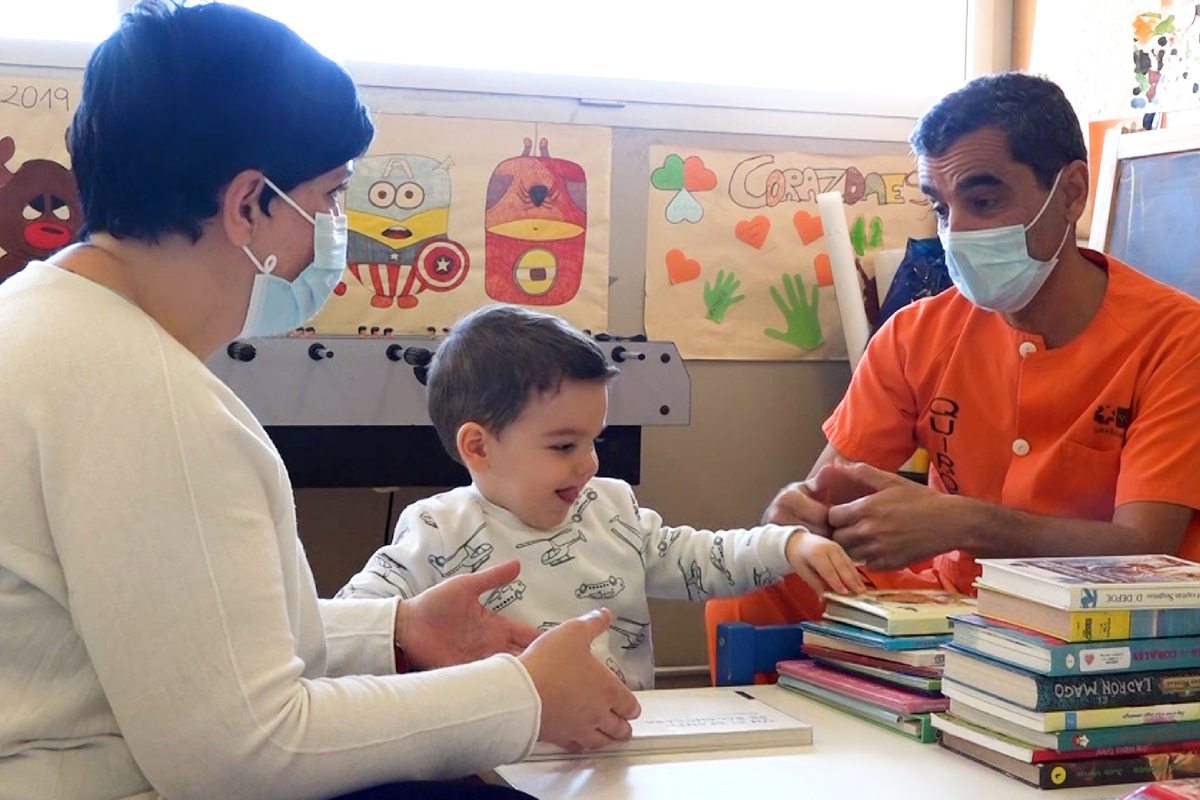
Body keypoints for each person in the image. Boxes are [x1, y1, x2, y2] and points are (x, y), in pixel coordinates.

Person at [0, 4, 640, 799]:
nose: (333, 231)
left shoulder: (40, 321)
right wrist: (526, 695)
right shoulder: (148, 403)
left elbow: (176, 631)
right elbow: (245, 751)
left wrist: (398, 629)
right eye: (329, 198)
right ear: (247, 206)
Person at [707, 72, 1200, 637]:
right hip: (953, 602)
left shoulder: (1178, 338)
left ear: (1071, 193)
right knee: (754, 586)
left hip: (1107, 622)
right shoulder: (914, 333)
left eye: (984, 201)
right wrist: (796, 517)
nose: (957, 233)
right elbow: (827, 488)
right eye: (940, 209)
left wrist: (959, 523)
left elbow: (1144, 550)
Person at [338, 304, 865, 690]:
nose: (589, 462)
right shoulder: (435, 527)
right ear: (478, 446)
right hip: (499, 755)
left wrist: (788, 545)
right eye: (564, 444)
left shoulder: (611, 508)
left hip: (621, 740)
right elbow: (350, 622)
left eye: (595, 440)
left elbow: (699, 558)